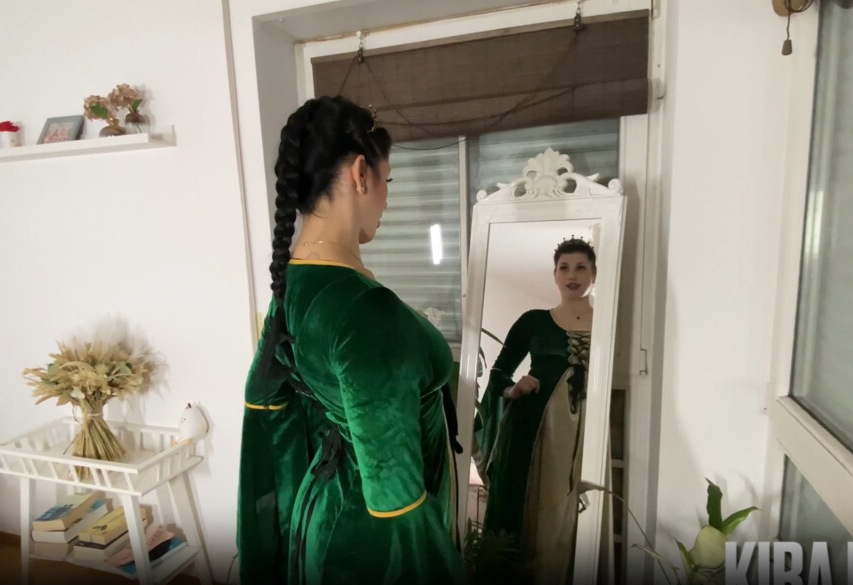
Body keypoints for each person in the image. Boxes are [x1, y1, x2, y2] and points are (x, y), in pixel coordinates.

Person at [237, 95, 466, 585]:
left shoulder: (293, 283)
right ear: (361, 174)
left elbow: (264, 398)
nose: (387, 199)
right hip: (368, 544)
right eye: (388, 182)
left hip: (322, 509)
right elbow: (394, 497)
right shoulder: (366, 310)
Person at [475, 237, 598, 585]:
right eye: (564, 268)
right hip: (533, 431)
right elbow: (499, 372)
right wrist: (513, 389)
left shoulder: (611, 322)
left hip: (590, 429)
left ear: (594, 274)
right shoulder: (534, 321)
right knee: (533, 509)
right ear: (555, 275)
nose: (572, 275)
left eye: (581, 267)